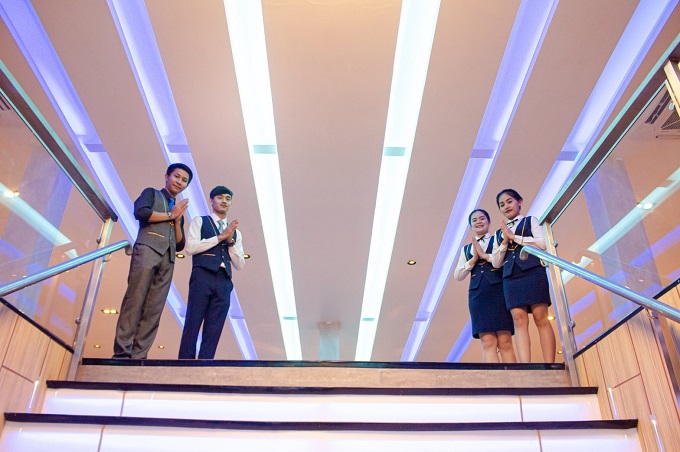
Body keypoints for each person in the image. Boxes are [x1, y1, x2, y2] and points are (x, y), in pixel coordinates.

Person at [113, 163, 192, 359]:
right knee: (135, 299)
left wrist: (177, 220)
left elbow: (180, 244)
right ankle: (122, 353)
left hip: (168, 258)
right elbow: (141, 212)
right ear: (166, 176)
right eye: (177, 176)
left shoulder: (179, 211)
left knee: (154, 308)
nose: (179, 182)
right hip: (148, 249)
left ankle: (139, 355)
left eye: (184, 180)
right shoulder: (151, 193)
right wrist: (170, 215)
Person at [178, 185, 245, 359]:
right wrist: (220, 237)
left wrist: (230, 242)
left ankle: (205, 363)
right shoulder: (200, 221)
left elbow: (239, 264)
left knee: (215, 327)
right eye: (220, 197)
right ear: (211, 200)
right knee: (193, 320)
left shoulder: (236, 233)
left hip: (224, 280)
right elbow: (191, 248)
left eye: (228, 199)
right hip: (202, 275)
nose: (224, 201)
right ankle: (184, 363)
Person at [491, 189, 556, 363]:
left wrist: (515, 237)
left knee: (540, 317)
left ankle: (549, 364)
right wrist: (505, 241)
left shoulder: (530, 220)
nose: (506, 206)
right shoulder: (498, 234)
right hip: (511, 277)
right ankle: (525, 365)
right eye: (502, 205)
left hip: (533, 271)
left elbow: (543, 244)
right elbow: (496, 262)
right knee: (519, 320)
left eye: (509, 201)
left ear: (519, 202)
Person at [454, 209, 516, 363]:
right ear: (471, 226)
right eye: (474, 220)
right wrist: (473, 260)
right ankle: (494, 378)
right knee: (487, 342)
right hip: (478, 296)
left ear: (488, 221)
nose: (478, 222)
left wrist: (484, 255)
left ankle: (513, 377)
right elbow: (458, 275)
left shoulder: (498, 238)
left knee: (505, 341)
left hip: (499, 292)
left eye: (482, 218)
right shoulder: (466, 249)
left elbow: (501, 262)